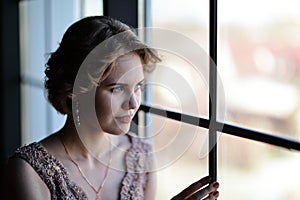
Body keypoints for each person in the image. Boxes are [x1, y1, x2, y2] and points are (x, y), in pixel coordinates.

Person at [6, 16, 220, 200]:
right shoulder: (29, 171)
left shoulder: (141, 158)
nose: (134, 104)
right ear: (76, 89)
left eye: (138, 87)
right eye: (117, 89)